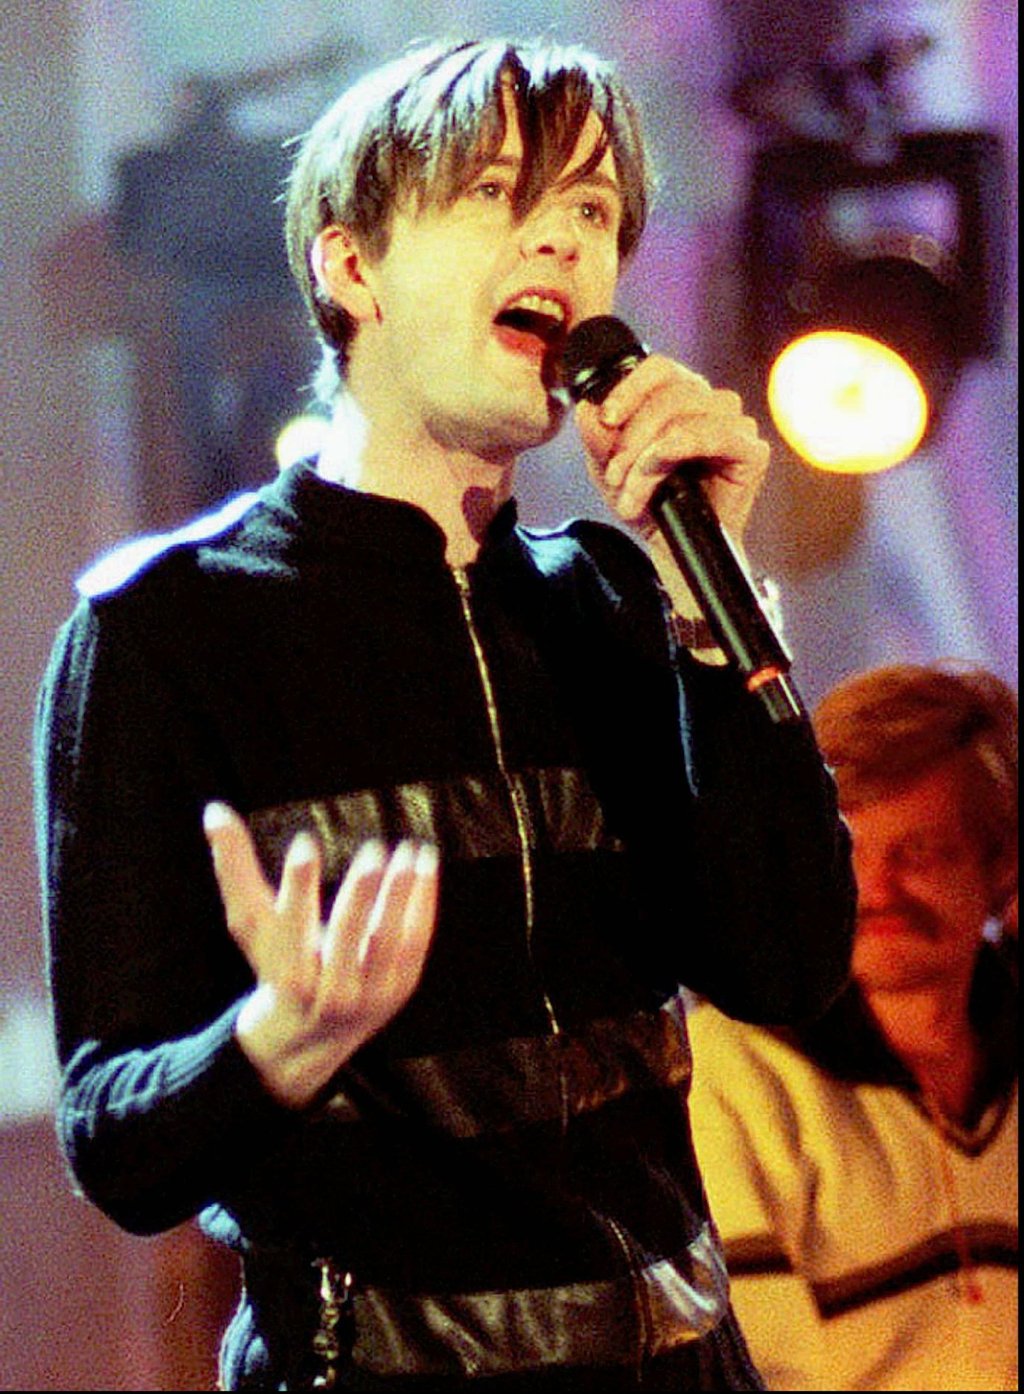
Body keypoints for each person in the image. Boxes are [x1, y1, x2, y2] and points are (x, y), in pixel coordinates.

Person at [35, 38, 855, 1392]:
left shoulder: (611, 599)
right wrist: (276, 1042)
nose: (564, 244)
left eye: (592, 213)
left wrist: (714, 604)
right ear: (348, 266)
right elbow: (115, 1140)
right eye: (495, 194)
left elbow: (788, 961)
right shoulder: (170, 630)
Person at [688, 662, 1018, 1392]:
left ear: (1000, 862)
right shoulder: (734, 1076)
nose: (876, 890)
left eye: (920, 851)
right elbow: (761, 1372)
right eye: (849, 851)